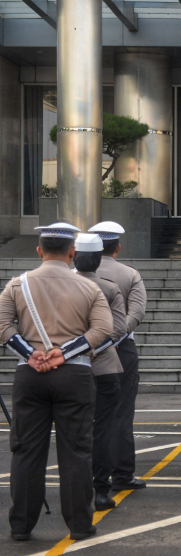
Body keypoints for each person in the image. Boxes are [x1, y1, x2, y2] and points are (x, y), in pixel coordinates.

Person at [0, 223, 112, 541]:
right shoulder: (89, 288)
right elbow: (103, 329)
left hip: (30, 375)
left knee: (25, 451)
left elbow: (2, 325)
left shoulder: (17, 285)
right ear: (72, 253)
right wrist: (64, 353)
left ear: (39, 251)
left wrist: (31, 354)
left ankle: (21, 526)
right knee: (76, 451)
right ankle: (79, 525)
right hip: (74, 374)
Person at [89, 221, 148, 492]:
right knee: (122, 413)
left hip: (82, 349)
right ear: (118, 248)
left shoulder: (76, 275)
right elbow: (136, 313)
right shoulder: (130, 274)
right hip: (121, 349)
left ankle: (89, 473)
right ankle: (123, 474)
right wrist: (115, 337)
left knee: (86, 413)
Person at [73, 233, 128, 512]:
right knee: (103, 430)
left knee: (74, 430)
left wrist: (72, 352)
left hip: (69, 367)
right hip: (104, 366)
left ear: (74, 256)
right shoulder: (108, 288)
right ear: (98, 259)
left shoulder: (64, 285)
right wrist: (93, 349)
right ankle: (101, 490)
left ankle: (75, 489)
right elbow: (118, 329)